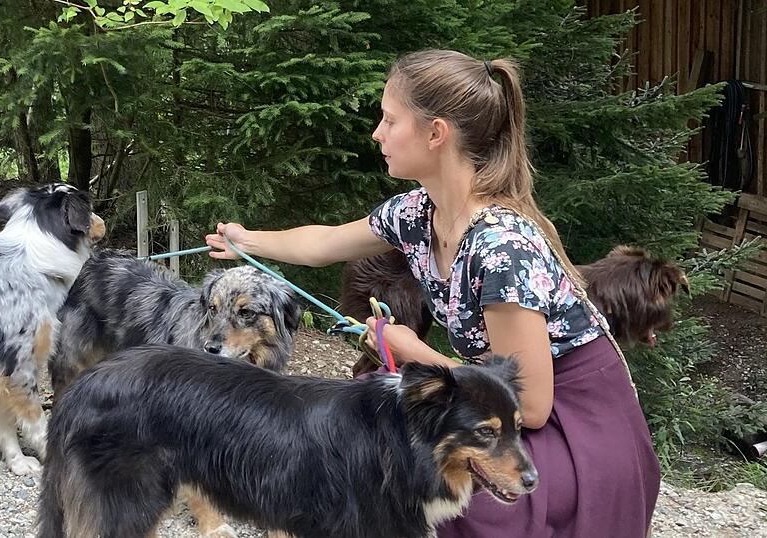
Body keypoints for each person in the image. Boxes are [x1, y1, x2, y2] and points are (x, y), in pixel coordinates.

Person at [205, 49, 659, 537]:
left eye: (389, 119)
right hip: (496, 402)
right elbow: (325, 243)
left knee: (419, 483)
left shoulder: (502, 249)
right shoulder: (418, 212)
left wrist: (412, 351)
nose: (377, 133)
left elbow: (531, 405)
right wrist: (247, 241)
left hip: (573, 427)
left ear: (435, 133)